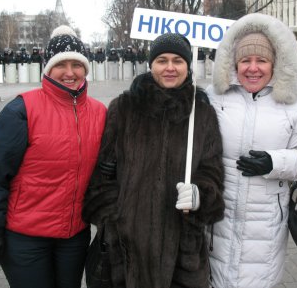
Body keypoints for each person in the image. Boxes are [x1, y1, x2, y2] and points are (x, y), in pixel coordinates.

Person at [82, 32, 225, 288]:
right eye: (162, 60)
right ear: (151, 64)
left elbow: (212, 172)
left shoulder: (201, 113)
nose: (170, 67)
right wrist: (115, 218)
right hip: (127, 251)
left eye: (177, 61)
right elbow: (103, 175)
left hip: (181, 247)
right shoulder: (124, 108)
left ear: (187, 65)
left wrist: (200, 195)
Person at [0, 25, 107, 288]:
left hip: (73, 236)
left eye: (77, 65)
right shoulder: (22, 109)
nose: (70, 73)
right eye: (61, 65)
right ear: (48, 68)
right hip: (26, 238)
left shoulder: (100, 113)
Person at [206, 13, 297, 288]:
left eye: (261, 60)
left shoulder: (291, 104)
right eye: (245, 60)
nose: (252, 68)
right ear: (234, 63)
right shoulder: (214, 97)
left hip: (266, 223)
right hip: (221, 217)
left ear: (274, 64)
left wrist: (274, 162)